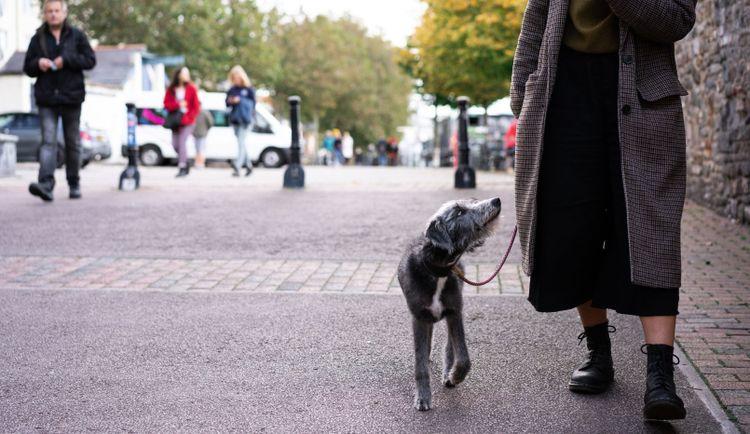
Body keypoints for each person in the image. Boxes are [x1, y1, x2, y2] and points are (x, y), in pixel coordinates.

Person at [511, 0, 696, 421]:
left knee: (652, 231)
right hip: (564, 95)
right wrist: (522, 95)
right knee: (573, 225)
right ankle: (599, 352)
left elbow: (676, 21)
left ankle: (660, 375)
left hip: (644, 99)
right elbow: (535, 21)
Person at [24, 0, 96, 202]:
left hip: (71, 97)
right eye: (49, 11)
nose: (53, 14)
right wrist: (38, 63)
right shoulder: (37, 39)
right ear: (44, 14)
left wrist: (67, 60)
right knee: (48, 142)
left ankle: (74, 182)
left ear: (64, 13)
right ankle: (46, 184)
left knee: (73, 142)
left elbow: (90, 60)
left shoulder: (77, 36)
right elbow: (27, 67)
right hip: (47, 98)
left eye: (56, 11)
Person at [164, 66, 200, 177]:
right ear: (179, 75)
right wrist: (178, 104)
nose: (187, 75)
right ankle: (186, 161)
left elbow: (196, 106)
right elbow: (166, 104)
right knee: (175, 145)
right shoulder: (171, 89)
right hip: (175, 121)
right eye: (184, 73)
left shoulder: (191, 88)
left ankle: (182, 167)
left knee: (182, 142)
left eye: (187, 73)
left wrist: (189, 117)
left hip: (188, 121)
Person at [225, 65, 255, 177]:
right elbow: (227, 103)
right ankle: (249, 166)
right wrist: (232, 101)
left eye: (237, 77)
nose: (236, 79)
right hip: (236, 119)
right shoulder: (232, 90)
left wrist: (241, 100)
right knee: (241, 143)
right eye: (234, 78)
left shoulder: (249, 89)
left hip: (246, 120)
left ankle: (237, 166)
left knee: (241, 143)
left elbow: (253, 105)